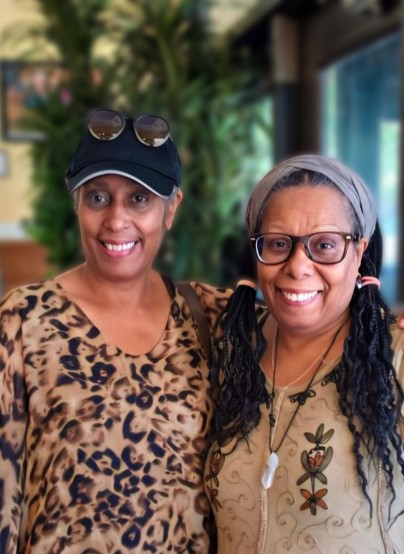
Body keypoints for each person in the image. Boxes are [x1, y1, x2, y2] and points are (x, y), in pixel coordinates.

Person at [0, 108, 232, 553]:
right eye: (98, 197)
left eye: (139, 199)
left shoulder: (210, 315)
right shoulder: (24, 319)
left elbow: (311, 325)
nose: (116, 220)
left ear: (171, 208)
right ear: (77, 204)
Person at [205, 154, 404, 553]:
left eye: (325, 245)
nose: (298, 266)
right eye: (279, 244)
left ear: (358, 251)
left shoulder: (393, 357)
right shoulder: (234, 348)